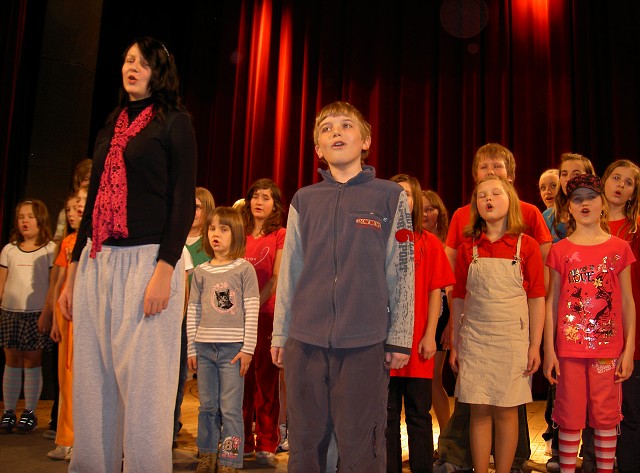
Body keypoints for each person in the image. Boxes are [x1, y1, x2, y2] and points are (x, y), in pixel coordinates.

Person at [57, 37, 197, 473]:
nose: (131, 67)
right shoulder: (112, 125)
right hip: (98, 259)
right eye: (127, 60)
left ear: (159, 71)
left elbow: (183, 201)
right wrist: (73, 272)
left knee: (146, 388)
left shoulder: (175, 123)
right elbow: (93, 200)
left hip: (149, 260)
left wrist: (165, 269)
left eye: (141, 62)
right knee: (93, 381)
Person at [271, 101, 415, 473]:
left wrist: (400, 337)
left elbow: (402, 270)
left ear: (365, 140)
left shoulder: (390, 196)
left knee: (361, 446)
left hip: (364, 343)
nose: (336, 131)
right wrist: (281, 333)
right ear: (318, 148)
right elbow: (290, 272)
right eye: (326, 128)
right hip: (305, 342)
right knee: (305, 443)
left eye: (346, 125)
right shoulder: (304, 199)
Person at [437, 143, 552, 473]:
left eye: (496, 194)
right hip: (475, 340)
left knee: (506, 411)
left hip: (512, 341)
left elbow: (537, 298)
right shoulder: (467, 247)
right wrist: (456, 342)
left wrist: (534, 345)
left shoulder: (526, 246)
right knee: (479, 410)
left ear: (511, 197)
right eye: (482, 195)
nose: (488, 199)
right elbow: (459, 297)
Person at [543, 173, 636, 473]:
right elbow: (551, 303)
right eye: (577, 199)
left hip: (607, 351)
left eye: (591, 197)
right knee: (569, 417)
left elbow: (627, 302)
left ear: (602, 203)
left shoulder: (619, 248)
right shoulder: (560, 250)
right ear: (569, 207)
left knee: (606, 418)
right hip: (569, 351)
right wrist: (549, 350)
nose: (585, 204)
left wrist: (629, 350)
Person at [387, 175, 455, 473]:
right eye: (396, 193)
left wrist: (430, 336)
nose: (402, 199)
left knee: (418, 413)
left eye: (407, 194)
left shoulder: (429, 243)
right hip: (385, 344)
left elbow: (435, 293)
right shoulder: (379, 240)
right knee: (387, 415)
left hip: (418, 344)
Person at [187, 207, 260, 473]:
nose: (215, 234)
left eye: (223, 229)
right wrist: (191, 348)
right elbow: (193, 310)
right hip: (204, 348)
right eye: (212, 229)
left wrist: (248, 348)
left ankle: (230, 459)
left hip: (232, 350)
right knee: (207, 406)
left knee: (230, 408)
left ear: (236, 234)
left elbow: (252, 309)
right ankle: (207, 453)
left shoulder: (244, 269)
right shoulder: (201, 271)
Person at [240, 178, 286, 466]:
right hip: (237, 318)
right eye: (255, 196)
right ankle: (242, 440)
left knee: (265, 381)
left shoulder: (280, 234)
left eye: (266, 197)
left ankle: (267, 442)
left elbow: (277, 276)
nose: (259, 201)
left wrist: (254, 303)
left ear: (275, 205)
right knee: (240, 381)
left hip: (266, 314)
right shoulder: (239, 232)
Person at [0, 199, 56, 433]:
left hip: (36, 314)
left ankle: (29, 412)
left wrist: (47, 313)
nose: (25, 221)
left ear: (40, 220)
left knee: (32, 361)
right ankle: (9, 411)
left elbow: (52, 285)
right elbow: (2, 283)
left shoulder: (49, 249)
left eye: (30, 216)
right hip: (10, 312)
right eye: (21, 217)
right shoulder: (9, 249)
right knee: (11, 361)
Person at [601, 160, 640, 473]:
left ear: (634, 193)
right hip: (594, 332)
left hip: (630, 326)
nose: (620, 185)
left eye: (629, 182)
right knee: (597, 410)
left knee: (631, 409)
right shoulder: (586, 222)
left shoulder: (635, 229)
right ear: (604, 181)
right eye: (616, 178)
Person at [174, 186, 215, 447]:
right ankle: (170, 426)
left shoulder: (210, 244)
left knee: (203, 383)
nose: (192, 211)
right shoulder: (174, 238)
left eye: (198, 207)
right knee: (173, 377)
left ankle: (209, 440)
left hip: (201, 320)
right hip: (173, 318)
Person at [46, 192, 83, 460]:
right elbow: (60, 279)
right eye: (69, 208)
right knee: (66, 376)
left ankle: (79, 439)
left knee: (80, 377)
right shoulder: (69, 242)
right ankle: (66, 438)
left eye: (79, 205)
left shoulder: (95, 241)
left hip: (85, 309)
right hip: (67, 310)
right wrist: (53, 316)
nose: (73, 212)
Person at [421, 190, 453, 434]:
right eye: (420, 209)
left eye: (430, 209)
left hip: (441, 317)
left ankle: (446, 437)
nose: (425, 214)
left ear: (439, 212)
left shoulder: (447, 247)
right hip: (416, 316)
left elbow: (452, 291)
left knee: (433, 380)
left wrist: (451, 326)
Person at [543, 153, 595, 242]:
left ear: (590, 178)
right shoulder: (547, 217)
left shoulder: (598, 213)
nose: (568, 179)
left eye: (576, 174)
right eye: (564, 174)